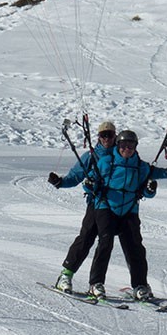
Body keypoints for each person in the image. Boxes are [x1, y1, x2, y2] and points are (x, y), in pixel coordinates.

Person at [85, 129, 167, 301]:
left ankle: (140, 285)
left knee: (135, 247)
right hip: (106, 208)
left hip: (129, 210)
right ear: (118, 145)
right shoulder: (105, 162)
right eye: (123, 145)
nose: (127, 149)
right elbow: (91, 182)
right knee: (105, 243)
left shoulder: (140, 166)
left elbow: (156, 175)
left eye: (131, 146)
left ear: (135, 147)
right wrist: (89, 185)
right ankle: (96, 283)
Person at [47, 120, 118, 292]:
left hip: (118, 206)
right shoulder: (91, 156)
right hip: (96, 204)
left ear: (115, 136)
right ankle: (66, 275)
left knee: (113, 244)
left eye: (110, 135)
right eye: (103, 135)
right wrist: (60, 182)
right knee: (86, 239)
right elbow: (75, 176)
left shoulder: (122, 154)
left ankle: (99, 283)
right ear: (99, 137)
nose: (107, 138)